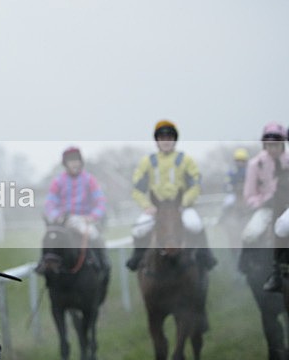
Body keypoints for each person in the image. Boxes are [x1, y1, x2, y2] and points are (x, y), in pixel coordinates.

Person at [125, 120, 218, 272]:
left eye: (169, 138)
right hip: (157, 208)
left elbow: (195, 184)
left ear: (175, 140)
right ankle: (137, 256)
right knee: (138, 230)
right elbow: (137, 189)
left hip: (181, 206)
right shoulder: (148, 162)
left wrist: (185, 202)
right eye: (162, 138)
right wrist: (147, 206)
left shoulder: (185, 160)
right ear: (157, 141)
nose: (166, 142)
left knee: (194, 223)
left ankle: (205, 255)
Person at [35, 146, 110, 276]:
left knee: (96, 237)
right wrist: (57, 216)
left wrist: (92, 217)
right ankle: (44, 265)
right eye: (71, 161)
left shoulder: (89, 179)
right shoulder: (58, 181)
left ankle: (103, 265)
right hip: (64, 220)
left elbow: (101, 202)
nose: (74, 164)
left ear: (81, 162)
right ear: (65, 164)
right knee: (50, 237)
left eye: (77, 161)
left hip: (84, 220)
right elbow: (49, 204)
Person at [241, 122, 289, 292]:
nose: (273, 148)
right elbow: (249, 194)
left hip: (287, 205)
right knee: (250, 233)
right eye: (269, 144)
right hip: (266, 207)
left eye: (276, 144)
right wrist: (262, 202)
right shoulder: (256, 163)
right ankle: (246, 265)